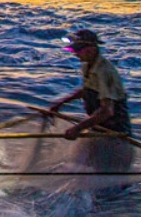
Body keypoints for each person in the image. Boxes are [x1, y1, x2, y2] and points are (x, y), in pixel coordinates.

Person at [47, 28, 133, 171]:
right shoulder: (87, 65)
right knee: (83, 168)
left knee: (104, 178)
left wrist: (78, 129)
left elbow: (107, 111)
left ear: (92, 49)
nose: (76, 54)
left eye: (79, 51)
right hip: (98, 129)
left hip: (114, 135)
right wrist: (60, 104)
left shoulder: (105, 72)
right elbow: (87, 90)